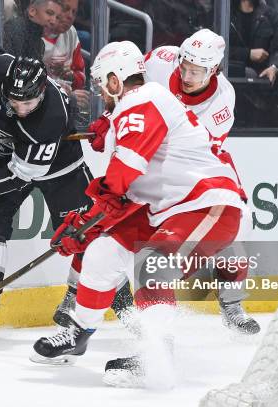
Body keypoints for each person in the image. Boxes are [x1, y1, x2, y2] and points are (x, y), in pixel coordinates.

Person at [30, 41, 246, 386]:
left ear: (116, 81)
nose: (102, 93)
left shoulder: (143, 100)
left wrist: (86, 219)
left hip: (207, 205)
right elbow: (127, 197)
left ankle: (156, 357)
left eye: (104, 85)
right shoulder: (132, 110)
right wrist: (89, 229)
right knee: (101, 251)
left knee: (152, 263)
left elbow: (121, 176)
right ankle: (79, 333)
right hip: (164, 209)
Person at [0, 46, 131, 339]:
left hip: (60, 168)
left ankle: (127, 313)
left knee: (85, 235)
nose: (20, 109)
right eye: (14, 102)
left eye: (29, 103)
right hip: (7, 155)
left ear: (43, 91)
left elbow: (24, 172)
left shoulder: (50, 119)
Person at [89, 29, 260, 335]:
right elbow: (124, 87)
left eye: (197, 71)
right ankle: (83, 302)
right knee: (111, 233)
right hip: (146, 155)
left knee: (232, 230)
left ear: (215, 70)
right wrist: (111, 117)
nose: (187, 75)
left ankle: (232, 302)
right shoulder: (159, 60)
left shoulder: (222, 102)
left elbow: (197, 150)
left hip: (188, 165)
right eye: (184, 66)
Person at [229, 0, 278, 84]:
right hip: (229, 79)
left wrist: (274, 67)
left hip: (262, 81)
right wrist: (248, 54)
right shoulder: (225, 14)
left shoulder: (270, 15)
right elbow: (217, 49)